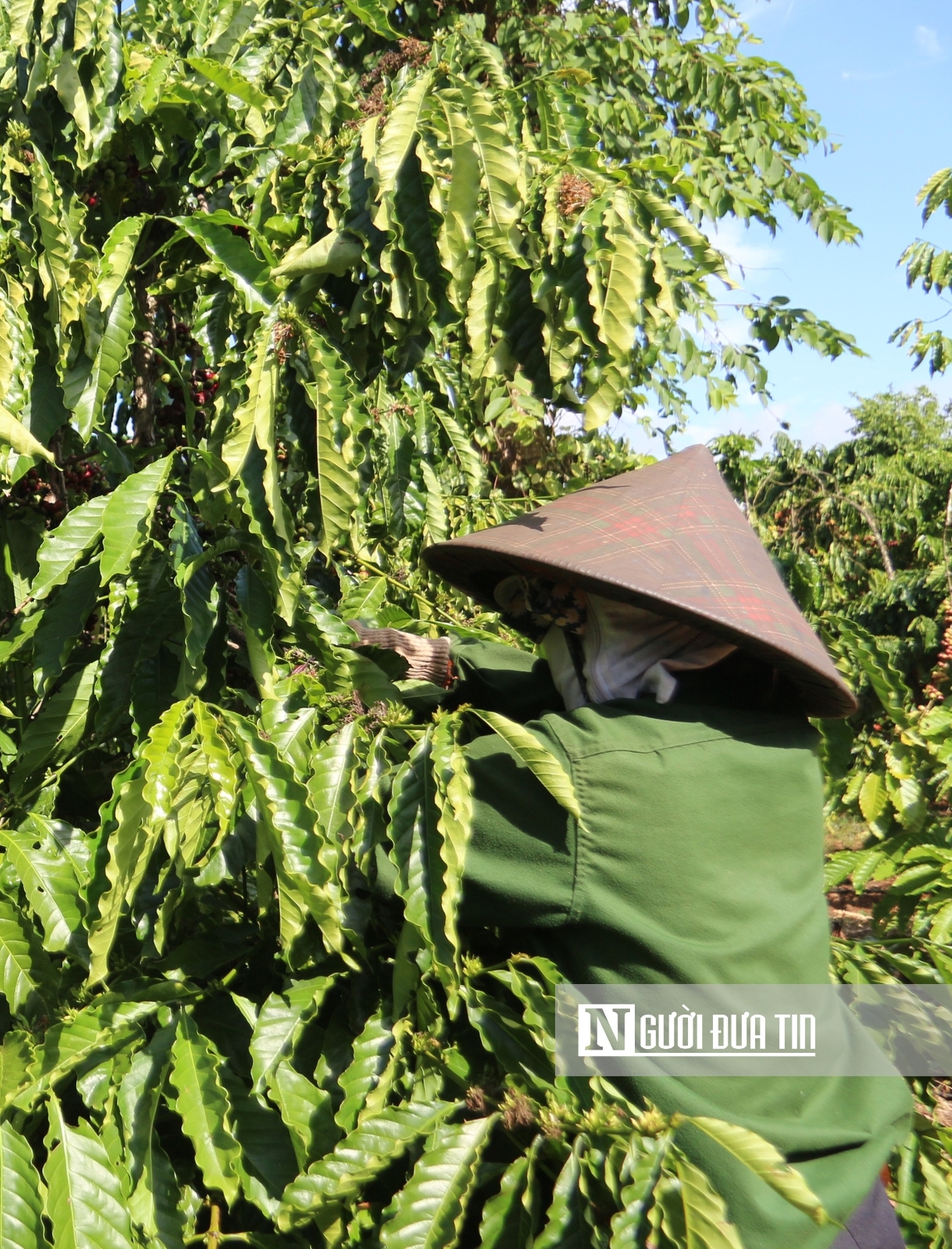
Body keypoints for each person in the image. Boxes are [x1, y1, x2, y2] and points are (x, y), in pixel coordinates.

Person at [358, 446, 912, 1249]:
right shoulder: (780, 745)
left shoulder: (582, 785)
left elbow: (352, 828)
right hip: (846, 1178)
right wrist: (450, 663)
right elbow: (570, 684)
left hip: (726, 1214)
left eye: (570, 618)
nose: (548, 643)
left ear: (692, 646)